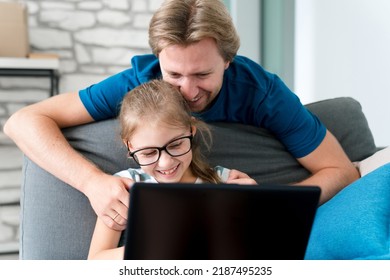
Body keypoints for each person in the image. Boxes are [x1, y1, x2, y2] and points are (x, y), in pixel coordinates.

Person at [3, 0, 359, 232]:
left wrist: (267, 203)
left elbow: (340, 170)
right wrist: (92, 182)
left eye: (202, 75)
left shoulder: (262, 92)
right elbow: (22, 121)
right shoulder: (139, 81)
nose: (187, 92)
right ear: (159, 61)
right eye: (173, 75)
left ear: (228, 62)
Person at [87, 79, 257, 259]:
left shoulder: (224, 181)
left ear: (191, 130)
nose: (166, 163)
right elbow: (96, 261)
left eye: (175, 145)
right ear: (130, 146)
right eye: (149, 152)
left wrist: (256, 209)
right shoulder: (124, 189)